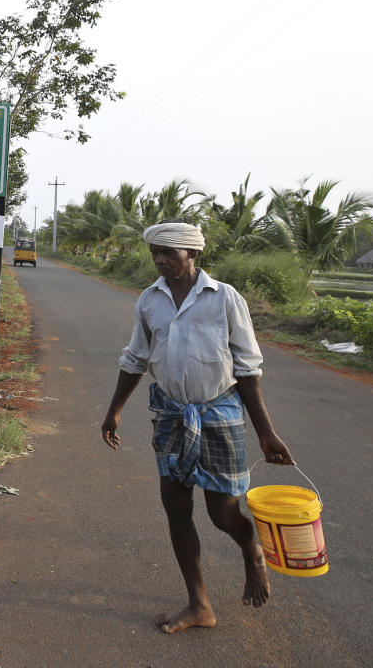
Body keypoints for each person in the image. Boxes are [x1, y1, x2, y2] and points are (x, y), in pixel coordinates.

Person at [100, 221, 296, 635]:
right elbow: (136, 358)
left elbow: (246, 369)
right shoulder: (149, 301)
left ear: (192, 253)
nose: (160, 260)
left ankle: (251, 549)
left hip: (219, 413)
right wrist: (114, 409)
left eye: (169, 252)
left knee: (223, 513)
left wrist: (265, 432)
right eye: (155, 252)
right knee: (176, 508)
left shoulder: (225, 299)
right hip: (171, 414)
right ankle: (199, 604)